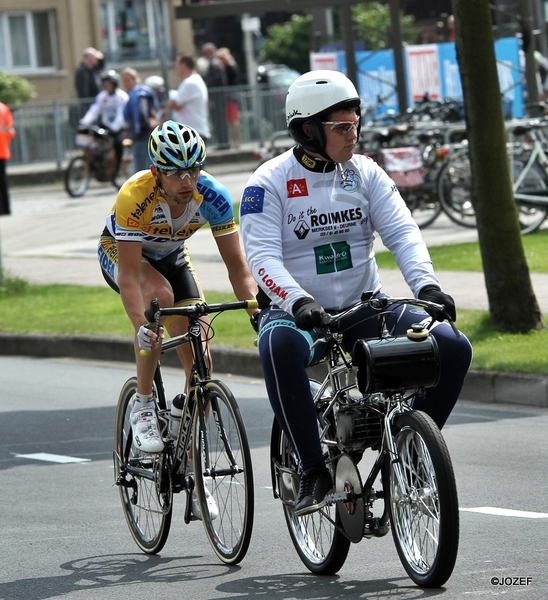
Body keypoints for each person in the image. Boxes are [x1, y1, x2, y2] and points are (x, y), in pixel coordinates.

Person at [239, 70, 473, 517]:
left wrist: (427, 285)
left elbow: (403, 233)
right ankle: (312, 469)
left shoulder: (365, 172)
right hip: (300, 314)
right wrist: (298, 302)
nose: (354, 134)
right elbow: (263, 259)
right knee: (277, 343)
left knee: (451, 345)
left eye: (356, 123)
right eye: (342, 127)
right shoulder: (267, 182)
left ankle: (407, 454)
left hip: (364, 309)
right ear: (308, 129)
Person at [97, 120, 257, 467]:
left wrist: (258, 315)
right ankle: (142, 403)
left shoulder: (212, 195)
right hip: (125, 255)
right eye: (175, 173)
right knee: (160, 296)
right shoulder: (135, 195)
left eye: (193, 170)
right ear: (156, 171)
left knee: (202, 356)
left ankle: (186, 460)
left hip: (171, 256)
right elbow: (127, 276)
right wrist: (141, 324)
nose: (187, 181)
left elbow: (238, 268)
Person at [79, 70, 129, 178]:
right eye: (105, 84)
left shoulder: (121, 96)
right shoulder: (102, 96)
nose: (107, 86)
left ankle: (117, 167)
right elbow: (94, 110)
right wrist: (85, 122)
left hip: (119, 127)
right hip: (105, 125)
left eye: (109, 84)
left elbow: (122, 114)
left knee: (118, 143)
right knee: (91, 137)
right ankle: (95, 164)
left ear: (114, 84)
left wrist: (115, 127)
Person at [121, 67, 159, 173]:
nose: (126, 83)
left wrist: (145, 124)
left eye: (128, 80)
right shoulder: (134, 94)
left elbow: (142, 112)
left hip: (142, 133)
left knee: (142, 170)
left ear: (135, 79)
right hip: (140, 134)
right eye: (124, 80)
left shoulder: (139, 93)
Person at [168, 53, 211, 142]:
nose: (176, 69)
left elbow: (173, 104)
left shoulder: (190, 82)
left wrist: (174, 104)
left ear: (183, 65)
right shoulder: (196, 80)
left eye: (177, 65)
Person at [201, 42, 229, 150]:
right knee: (220, 120)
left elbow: (214, 81)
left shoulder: (213, 64)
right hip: (220, 97)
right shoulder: (216, 63)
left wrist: (212, 98)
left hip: (217, 98)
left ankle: (223, 143)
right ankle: (223, 142)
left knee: (218, 121)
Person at [215, 47, 241, 148]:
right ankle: (233, 141)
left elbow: (234, 76)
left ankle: (236, 141)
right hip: (228, 96)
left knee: (233, 120)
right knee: (230, 121)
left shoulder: (231, 67)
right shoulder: (227, 67)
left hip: (231, 96)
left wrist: (229, 63)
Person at [74, 47, 105, 122]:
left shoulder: (94, 70)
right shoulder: (81, 71)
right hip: (88, 104)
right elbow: (81, 89)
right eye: (94, 57)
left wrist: (100, 56)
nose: (96, 59)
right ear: (89, 58)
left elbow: (102, 64)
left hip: (97, 103)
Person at [0, 101, 16, 216]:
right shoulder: (4, 108)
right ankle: (6, 209)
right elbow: (10, 131)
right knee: (3, 182)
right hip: (3, 149)